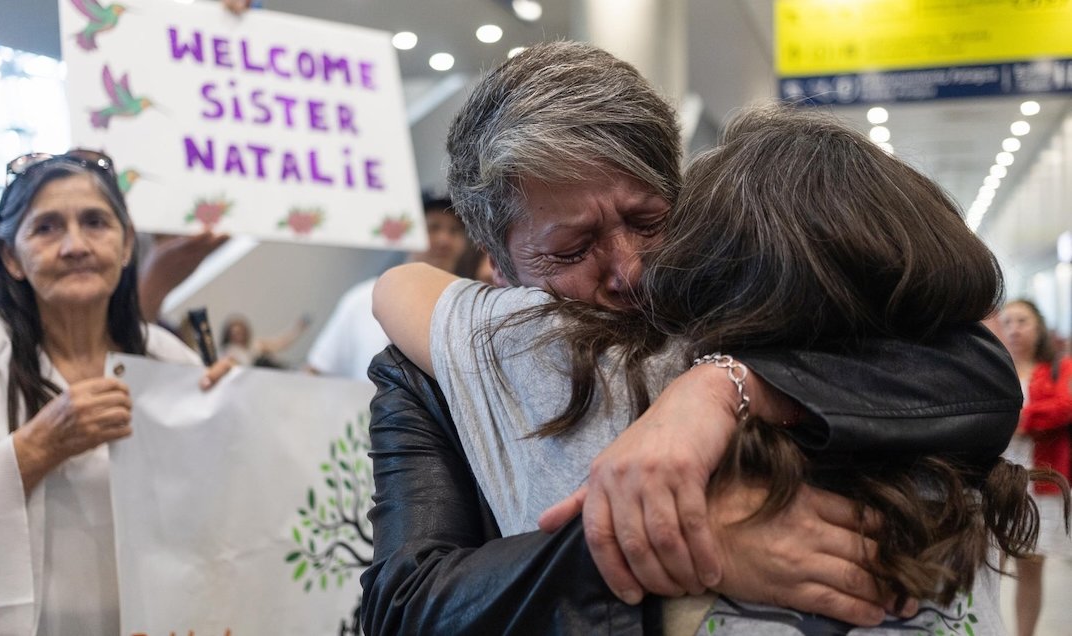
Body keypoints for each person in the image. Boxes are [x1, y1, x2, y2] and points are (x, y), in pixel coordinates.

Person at [360, 42, 1022, 633]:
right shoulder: (435, 369)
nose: (632, 270)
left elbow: (974, 372)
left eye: (649, 219)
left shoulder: (757, 311)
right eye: (572, 250)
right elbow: (405, 606)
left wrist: (728, 384)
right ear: (498, 265)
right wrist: (688, 544)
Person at [0, 149, 226, 634]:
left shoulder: (167, 358)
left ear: (125, 244)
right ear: (11, 257)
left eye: (95, 222)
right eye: (47, 227)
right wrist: (36, 448)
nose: (75, 245)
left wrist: (233, 423)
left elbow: (214, 514)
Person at [305, 194, 467, 379]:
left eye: (454, 231)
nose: (444, 240)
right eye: (433, 227)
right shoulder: (363, 299)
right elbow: (316, 371)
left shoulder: (467, 306)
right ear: (409, 233)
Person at [997, 299, 1072, 636]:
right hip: (993, 477)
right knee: (988, 563)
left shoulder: (1056, 367)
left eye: (1022, 320)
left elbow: (1066, 405)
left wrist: (1020, 421)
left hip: (1039, 479)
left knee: (1030, 566)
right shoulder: (992, 368)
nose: (1013, 328)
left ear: (1038, 326)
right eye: (1007, 321)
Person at [220, 313, 310, 367]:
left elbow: (280, 344)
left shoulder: (255, 345)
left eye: (241, 332)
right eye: (235, 334)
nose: (239, 337)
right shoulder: (230, 353)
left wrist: (298, 329)